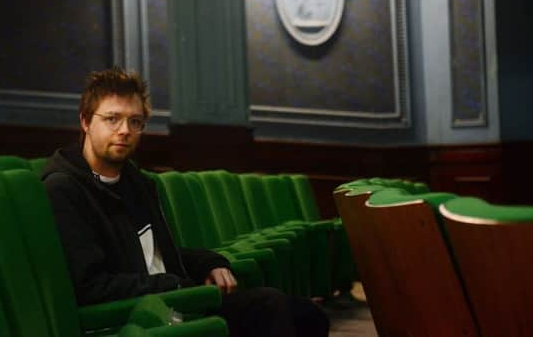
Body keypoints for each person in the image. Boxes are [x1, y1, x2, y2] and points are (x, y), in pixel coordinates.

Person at [41, 67, 330, 337]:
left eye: (135, 121)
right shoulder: (64, 189)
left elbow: (153, 254)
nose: (125, 130)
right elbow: (91, 286)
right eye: (112, 118)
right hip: (137, 315)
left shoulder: (137, 184)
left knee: (308, 315)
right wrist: (172, 284)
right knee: (273, 309)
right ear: (85, 121)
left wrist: (208, 263)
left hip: (174, 299)